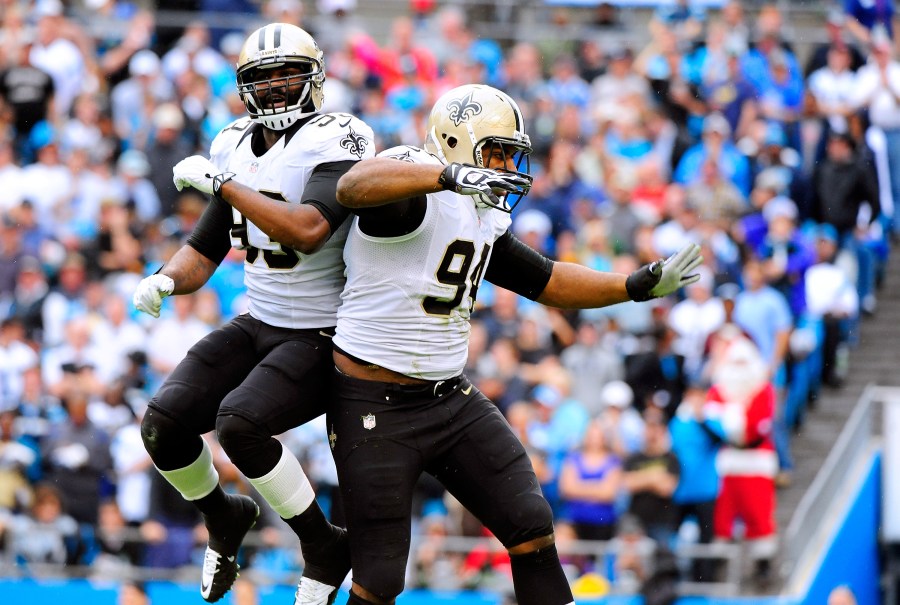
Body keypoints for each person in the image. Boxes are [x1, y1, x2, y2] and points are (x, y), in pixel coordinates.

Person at [327, 84, 700, 605]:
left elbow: (545, 278)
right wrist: (446, 176)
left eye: (511, 153)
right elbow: (351, 187)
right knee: (381, 578)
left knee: (530, 521)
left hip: (447, 395)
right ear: (455, 147)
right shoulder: (411, 187)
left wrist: (632, 286)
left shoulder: (480, 214)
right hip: (373, 403)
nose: (507, 166)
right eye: (496, 152)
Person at [132, 23, 374, 605]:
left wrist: (227, 187)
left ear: (314, 77)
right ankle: (224, 515)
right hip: (261, 318)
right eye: (263, 78)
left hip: (323, 328)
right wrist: (167, 277)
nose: (276, 87)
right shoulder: (234, 142)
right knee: (163, 425)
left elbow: (311, 230)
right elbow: (208, 246)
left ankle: (322, 544)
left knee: (241, 424)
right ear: (244, 87)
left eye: (288, 73)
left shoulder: (342, 136)